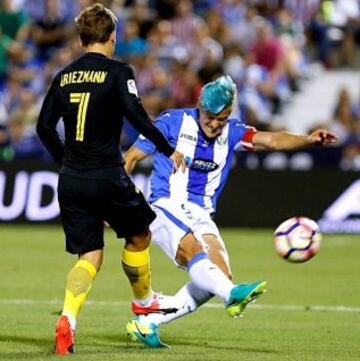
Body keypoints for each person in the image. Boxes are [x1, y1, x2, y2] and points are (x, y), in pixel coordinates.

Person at [123, 75, 338, 348]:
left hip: (201, 213)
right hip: (166, 205)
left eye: (221, 119)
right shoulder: (172, 122)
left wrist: (308, 139)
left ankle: (148, 322)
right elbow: (130, 158)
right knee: (197, 256)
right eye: (209, 117)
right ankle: (233, 294)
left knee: (218, 275)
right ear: (200, 107)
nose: (214, 124)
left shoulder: (233, 131)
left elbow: (271, 140)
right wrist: (117, 200)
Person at [36, 3, 186, 355]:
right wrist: (168, 150)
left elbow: (43, 128)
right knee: (139, 235)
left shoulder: (64, 75)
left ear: (81, 37)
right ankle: (144, 301)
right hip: (107, 174)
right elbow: (137, 115)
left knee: (88, 255)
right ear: (112, 37)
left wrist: (66, 161)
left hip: (72, 179)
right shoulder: (120, 73)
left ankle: (68, 320)